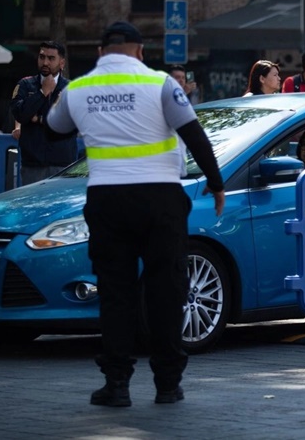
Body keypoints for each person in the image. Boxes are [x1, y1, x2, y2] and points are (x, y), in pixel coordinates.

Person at [47, 21, 225, 407]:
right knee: (166, 289)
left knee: (115, 293)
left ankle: (116, 384)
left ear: (99, 53)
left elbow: (54, 128)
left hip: (107, 200)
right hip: (160, 198)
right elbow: (195, 134)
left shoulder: (78, 89)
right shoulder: (161, 84)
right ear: (140, 51)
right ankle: (167, 385)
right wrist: (216, 182)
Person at [10, 41, 78, 185]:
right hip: (33, 165)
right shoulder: (25, 84)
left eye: (51, 58)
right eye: (42, 57)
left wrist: (38, 118)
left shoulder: (71, 88)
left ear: (62, 63)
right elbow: (20, 114)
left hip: (63, 165)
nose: (45, 62)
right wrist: (42, 93)